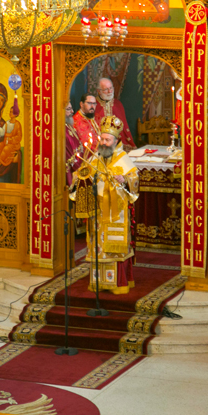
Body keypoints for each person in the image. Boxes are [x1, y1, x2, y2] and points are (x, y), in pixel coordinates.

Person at [70, 116, 139, 294]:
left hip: (117, 213)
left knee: (115, 248)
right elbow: (81, 174)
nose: (103, 142)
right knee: (98, 247)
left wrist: (124, 179)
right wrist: (81, 178)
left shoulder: (122, 158)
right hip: (98, 213)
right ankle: (98, 282)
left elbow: (135, 180)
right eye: (102, 139)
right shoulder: (95, 157)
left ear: (116, 141)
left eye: (107, 140)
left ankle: (118, 283)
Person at [94, 78, 136, 151]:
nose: (110, 91)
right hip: (101, 144)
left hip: (119, 143)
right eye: (106, 89)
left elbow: (124, 127)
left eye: (111, 88)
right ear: (99, 91)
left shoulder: (118, 105)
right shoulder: (93, 105)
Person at [65, 102, 83, 187]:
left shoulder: (69, 125)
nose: (72, 111)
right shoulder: (62, 130)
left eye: (71, 108)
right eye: (68, 109)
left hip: (79, 165)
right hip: (71, 171)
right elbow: (69, 156)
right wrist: (79, 168)